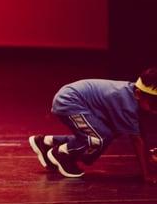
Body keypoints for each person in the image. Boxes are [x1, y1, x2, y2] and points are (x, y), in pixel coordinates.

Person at [29, 67, 157, 182]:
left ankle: (45, 142)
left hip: (77, 100)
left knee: (107, 133)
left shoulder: (132, 94)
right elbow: (137, 140)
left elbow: (140, 134)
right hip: (69, 101)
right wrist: (146, 174)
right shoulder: (128, 105)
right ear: (139, 94)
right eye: (154, 103)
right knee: (100, 138)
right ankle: (61, 153)